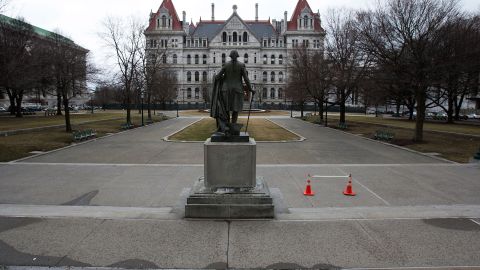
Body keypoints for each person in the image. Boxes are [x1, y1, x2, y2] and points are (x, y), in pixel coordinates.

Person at [210, 50, 255, 135]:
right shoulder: (241, 65)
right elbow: (246, 79)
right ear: (237, 56)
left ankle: (226, 128)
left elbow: (218, 77)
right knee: (235, 109)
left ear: (230, 56)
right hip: (237, 90)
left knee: (226, 109)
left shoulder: (226, 65)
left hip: (225, 90)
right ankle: (233, 129)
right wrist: (250, 89)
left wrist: (216, 77)